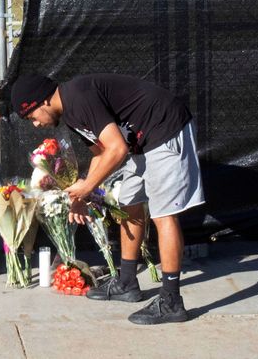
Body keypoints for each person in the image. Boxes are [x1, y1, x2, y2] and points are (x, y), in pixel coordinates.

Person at [10, 73, 204, 325]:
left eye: (32, 117)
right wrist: (82, 196)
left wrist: (88, 185)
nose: (35, 125)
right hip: (142, 141)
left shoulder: (78, 96)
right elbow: (100, 153)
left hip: (165, 128)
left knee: (163, 214)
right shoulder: (70, 114)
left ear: (42, 101)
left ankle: (171, 301)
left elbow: (117, 149)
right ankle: (127, 282)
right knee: (129, 204)